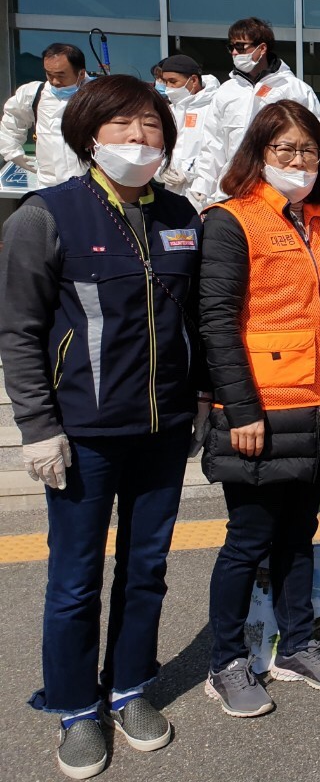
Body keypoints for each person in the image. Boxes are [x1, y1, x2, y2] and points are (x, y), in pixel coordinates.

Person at [0, 76, 204, 779]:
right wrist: (37, 426)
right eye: (123, 125)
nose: (139, 138)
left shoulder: (180, 214)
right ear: (90, 134)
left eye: (152, 126)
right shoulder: (46, 215)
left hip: (163, 429)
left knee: (147, 568)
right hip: (82, 432)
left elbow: (193, 318)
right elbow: (19, 330)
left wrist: (199, 400)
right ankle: (74, 706)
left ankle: (128, 687)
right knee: (75, 577)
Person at [201, 100, 320, 718]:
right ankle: (226, 662)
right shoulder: (231, 220)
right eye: (284, 149)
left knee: (299, 532)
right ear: (258, 154)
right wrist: (241, 410)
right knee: (248, 540)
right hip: (260, 409)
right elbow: (216, 322)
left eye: (309, 150)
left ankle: (296, 645)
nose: (298, 160)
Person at [188, 17, 320, 206]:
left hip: (284, 193)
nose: (234, 52)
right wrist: (201, 189)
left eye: (240, 47)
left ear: (262, 48)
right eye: (230, 47)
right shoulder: (226, 92)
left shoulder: (295, 89)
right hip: (234, 193)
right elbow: (212, 146)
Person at [0, 42, 91, 188]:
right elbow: (11, 121)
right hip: (48, 184)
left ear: (80, 74)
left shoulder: (99, 96)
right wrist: (13, 153)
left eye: (61, 75)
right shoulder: (34, 94)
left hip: (90, 185)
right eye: (49, 74)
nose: (54, 81)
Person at [154, 54, 220, 206]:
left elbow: (216, 149)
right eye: (165, 82)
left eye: (173, 81)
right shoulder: (170, 111)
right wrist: (161, 171)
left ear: (193, 80)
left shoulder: (213, 108)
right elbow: (159, 148)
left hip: (203, 192)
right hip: (172, 191)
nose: (168, 87)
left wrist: (189, 171)